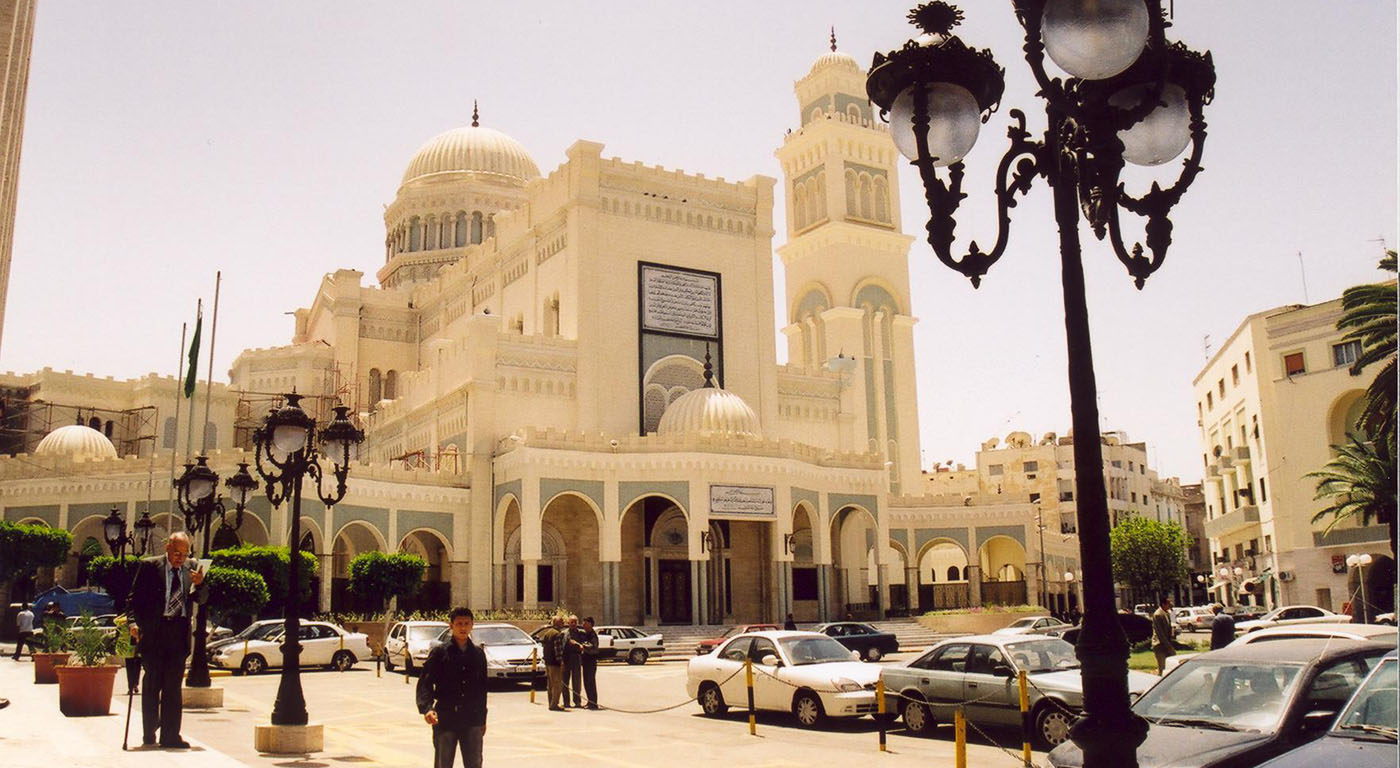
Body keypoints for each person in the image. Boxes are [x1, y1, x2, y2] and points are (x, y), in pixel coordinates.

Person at [125, 532, 206, 749]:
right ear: (167, 547)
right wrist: (133, 623)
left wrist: (200, 584)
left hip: (178, 634)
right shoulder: (150, 567)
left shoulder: (193, 568)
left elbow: (203, 599)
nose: (181, 558)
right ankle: (149, 731)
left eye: (185, 553)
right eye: (177, 553)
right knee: (152, 684)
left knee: (173, 687)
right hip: (153, 632)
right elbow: (133, 600)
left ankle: (171, 736)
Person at [417, 607, 487, 768]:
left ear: (472, 626)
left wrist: (482, 718)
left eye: (466, 623)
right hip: (446, 717)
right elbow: (425, 682)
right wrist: (427, 708)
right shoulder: (440, 652)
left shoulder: (478, 654)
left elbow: (482, 688)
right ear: (451, 626)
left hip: (472, 719)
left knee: (474, 763)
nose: (463, 628)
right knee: (443, 762)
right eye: (459, 624)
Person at [539, 615, 567, 711]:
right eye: (561, 622)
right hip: (555, 663)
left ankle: (551, 702)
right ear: (556, 623)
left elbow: (544, 648)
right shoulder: (558, 634)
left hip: (548, 662)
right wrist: (561, 662)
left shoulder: (547, 633)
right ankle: (554, 704)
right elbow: (558, 650)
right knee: (557, 684)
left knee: (550, 684)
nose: (563, 623)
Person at [576, 616, 600, 709]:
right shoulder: (586, 634)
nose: (584, 625)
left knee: (590, 682)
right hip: (585, 660)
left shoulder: (592, 635)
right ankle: (589, 701)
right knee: (586, 682)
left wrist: (582, 646)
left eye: (585, 623)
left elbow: (592, 646)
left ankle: (593, 703)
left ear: (590, 624)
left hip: (591, 660)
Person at [563, 615, 584, 708]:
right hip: (566, 658)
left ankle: (577, 701)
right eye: (571, 622)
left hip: (576, 658)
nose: (573, 624)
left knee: (576, 681)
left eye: (575, 622)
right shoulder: (564, 633)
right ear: (568, 623)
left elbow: (585, 644)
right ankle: (566, 702)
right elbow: (565, 644)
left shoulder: (581, 633)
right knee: (565, 681)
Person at [1151, 596, 1175, 675]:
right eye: (1168, 603)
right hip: (1159, 644)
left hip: (1167, 643)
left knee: (1172, 666)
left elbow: (1171, 625)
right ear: (1163, 604)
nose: (1170, 604)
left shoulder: (1167, 613)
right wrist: (1168, 646)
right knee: (1162, 668)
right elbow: (1160, 633)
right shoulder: (1158, 614)